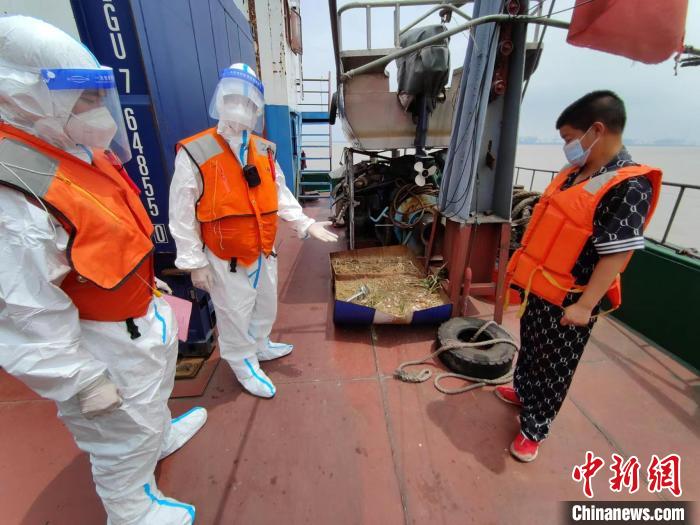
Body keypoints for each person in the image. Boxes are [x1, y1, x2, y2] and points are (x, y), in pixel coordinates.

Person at [0, 16, 207, 524]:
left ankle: (158, 437)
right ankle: (131, 510)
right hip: (102, 339)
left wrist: (147, 281)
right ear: (25, 95)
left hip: (139, 312)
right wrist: (81, 381)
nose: (97, 111)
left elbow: (101, 236)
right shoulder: (15, 184)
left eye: (98, 96)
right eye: (84, 98)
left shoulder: (70, 151)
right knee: (119, 433)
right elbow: (23, 309)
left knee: (149, 402)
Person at [500, 91, 662, 462]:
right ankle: (523, 391)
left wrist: (586, 306)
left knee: (556, 365)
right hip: (540, 286)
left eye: (570, 138)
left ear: (597, 130)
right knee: (532, 348)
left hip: (572, 298)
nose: (567, 148)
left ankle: (535, 427)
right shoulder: (574, 174)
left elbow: (616, 253)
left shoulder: (628, 186)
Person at [169, 63, 338, 399]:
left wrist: (304, 223)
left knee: (265, 306)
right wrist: (194, 262)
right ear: (220, 99)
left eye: (248, 101)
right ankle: (241, 360)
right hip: (225, 255)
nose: (240, 107)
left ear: (257, 107)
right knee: (234, 313)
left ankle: (259, 343)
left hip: (263, 250)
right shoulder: (196, 151)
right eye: (233, 98)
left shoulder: (263, 149)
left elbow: (279, 193)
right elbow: (181, 210)